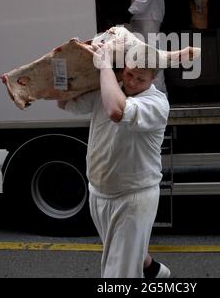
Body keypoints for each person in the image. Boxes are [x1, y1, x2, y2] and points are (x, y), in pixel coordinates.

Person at [57, 42, 171, 278]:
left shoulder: (157, 103)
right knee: (123, 251)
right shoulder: (109, 87)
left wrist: (105, 66)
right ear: (124, 68)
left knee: (118, 271)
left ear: (152, 80)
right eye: (129, 73)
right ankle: (153, 271)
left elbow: (116, 111)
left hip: (133, 196)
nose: (131, 81)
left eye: (140, 79)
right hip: (99, 191)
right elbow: (64, 102)